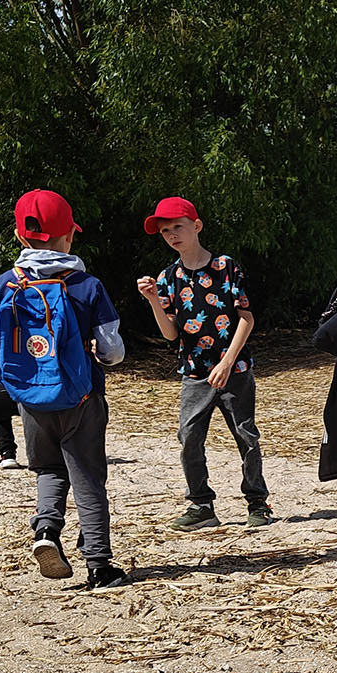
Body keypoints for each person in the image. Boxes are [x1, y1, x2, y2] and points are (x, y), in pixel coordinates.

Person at [0, 188, 128, 589]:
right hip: (80, 398)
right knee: (87, 478)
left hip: (30, 398)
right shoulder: (85, 285)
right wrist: (100, 357)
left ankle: (46, 533)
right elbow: (112, 351)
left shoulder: (6, 283)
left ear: (21, 238)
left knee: (48, 470)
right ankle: (100, 566)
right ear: (69, 235)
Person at [133, 196, 271, 530]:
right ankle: (201, 505)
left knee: (245, 436)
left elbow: (246, 319)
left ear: (196, 226)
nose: (171, 235)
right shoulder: (168, 277)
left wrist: (227, 362)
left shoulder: (226, 266)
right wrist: (153, 300)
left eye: (177, 227)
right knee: (189, 436)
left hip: (234, 369)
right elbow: (170, 333)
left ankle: (257, 502)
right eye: (165, 231)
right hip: (194, 372)